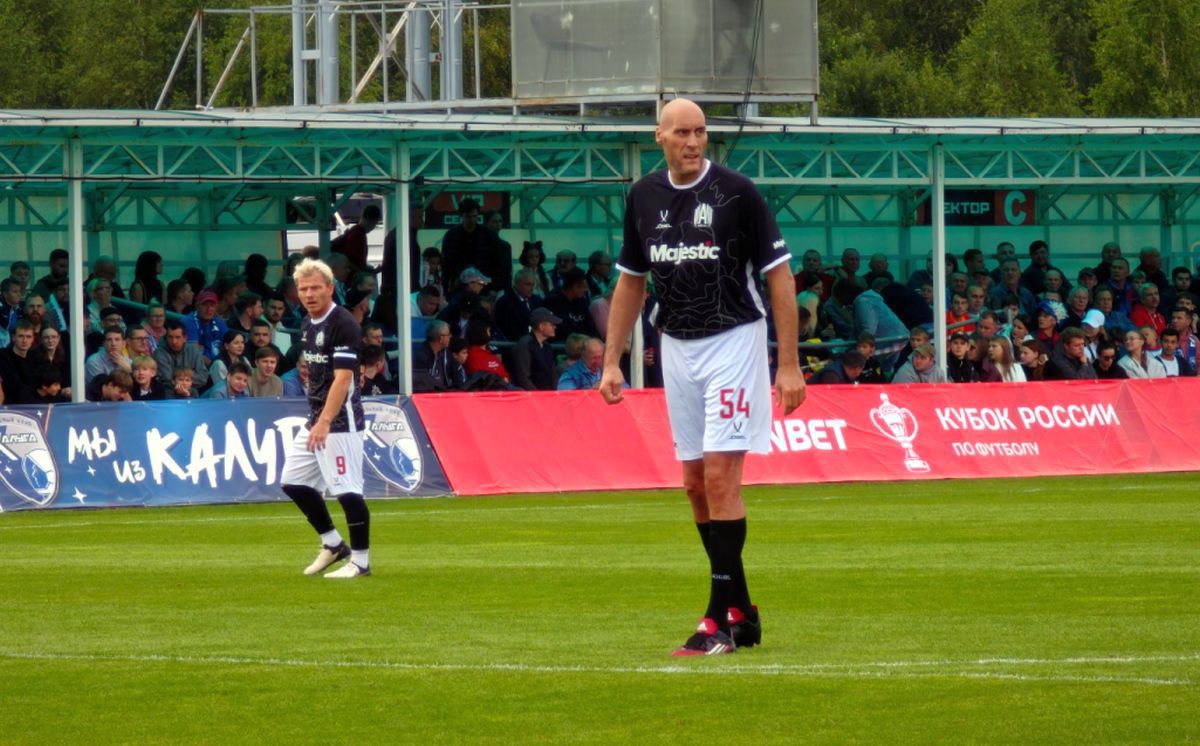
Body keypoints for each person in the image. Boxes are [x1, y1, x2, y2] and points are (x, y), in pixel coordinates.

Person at [598, 99, 804, 656]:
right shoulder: (643, 196)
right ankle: (743, 610)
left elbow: (780, 278)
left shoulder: (737, 192)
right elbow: (631, 281)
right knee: (693, 484)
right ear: (659, 136)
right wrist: (613, 359)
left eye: (701, 132)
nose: (693, 142)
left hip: (734, 339)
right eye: (682, 133)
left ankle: (717, 620)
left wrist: (788, 363)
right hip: (676, 345)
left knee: (719, 478)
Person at [279, 258, 372, 579]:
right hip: (317, 417)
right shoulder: (308, 323)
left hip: (340, 421)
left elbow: (344, 378)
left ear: (330, 288)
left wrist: (325, 421)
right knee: (293, 482)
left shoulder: (343, 323)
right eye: (303, 289)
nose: (309, 294)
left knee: (347, 490)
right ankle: (333, 544)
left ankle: (360, 562)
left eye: (315, 288)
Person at [154, 319, 210, 396]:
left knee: (194, 392)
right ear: (166, 337)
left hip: (191, 391)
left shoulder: (193, 351)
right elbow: (167, 379)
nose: (174, 341)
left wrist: (182, 382)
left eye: (177, 337)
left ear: (185, 338)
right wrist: (188, 379)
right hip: (168, 392)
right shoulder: (159, 352)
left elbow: (203, 377)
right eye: (170, 337)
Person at [510, 307, 560, 390]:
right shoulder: (525, 345)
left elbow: (553, 374)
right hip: (531, 395)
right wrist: (538, 395)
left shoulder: (547, 347)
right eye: (552, 324)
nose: (555, 327)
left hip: (547, 394)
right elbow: (523, 378)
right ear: (541, 326)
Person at [412, 320, 464, 393]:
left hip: (443, 394)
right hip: (428, 396)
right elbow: (422, 386)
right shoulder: (420, 356)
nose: (450, 337)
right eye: (448, 335)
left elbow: (458, 378)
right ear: (441, 339)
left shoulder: (446, 354)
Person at [183, 289, 229, 363]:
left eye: (212, 305)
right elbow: (193, 353)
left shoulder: (219, 323)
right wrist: (214, 366)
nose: (209, 309)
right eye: (204, 305)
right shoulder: (188, 321)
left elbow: (230, 345)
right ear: (197, 305)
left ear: (216, 307)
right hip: (197, 366)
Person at [0, 320, 38, 403]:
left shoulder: (35, 357)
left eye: (28, 337)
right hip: (9, 405)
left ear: (33, 339)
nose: (24, 340)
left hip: (32, 404)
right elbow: (13, 386)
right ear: (13, 337)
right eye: (21, 336)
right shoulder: (3, 356)